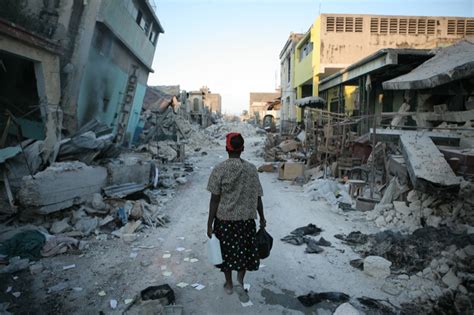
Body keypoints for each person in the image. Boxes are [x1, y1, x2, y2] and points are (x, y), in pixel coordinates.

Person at [206, 132, 266, 302]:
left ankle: (229, 284)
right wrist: (262, 218)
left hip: (224, 221)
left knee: (225, 254)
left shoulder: (219, 169)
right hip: (246, 220)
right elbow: (258, 197)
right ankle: (240, 280)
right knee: (244, 253)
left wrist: (209, 223)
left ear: (227, 148)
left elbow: (214, 199)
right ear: (243, 149)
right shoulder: (251, 169)